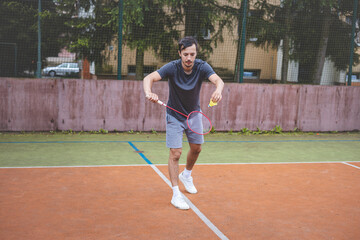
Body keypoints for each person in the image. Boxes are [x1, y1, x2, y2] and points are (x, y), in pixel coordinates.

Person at [143, 36, 224, 210]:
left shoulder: (202, 67)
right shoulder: (172, 67)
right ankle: (175, 194)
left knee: (197, 148)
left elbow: (218, 80)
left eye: (192, 54)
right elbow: (148, 78)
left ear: (196, 54)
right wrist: (149, 92)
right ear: (180, 53)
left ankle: (186, 174)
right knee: (176, 153)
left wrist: (218, 90)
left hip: (194, 115)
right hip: (174, 115)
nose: (189, 58)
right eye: (185, 54)